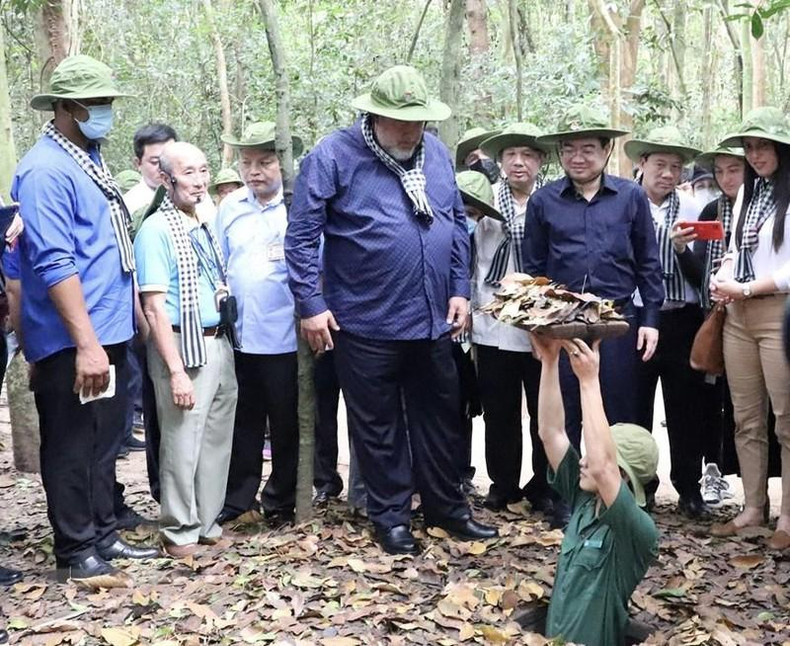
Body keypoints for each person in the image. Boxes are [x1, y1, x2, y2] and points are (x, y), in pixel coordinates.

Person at [285, 65, 497, 555]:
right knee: (377, 427)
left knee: (441, 420)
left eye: (417, 121)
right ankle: (391, 518)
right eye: (398, 121)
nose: (409, 130)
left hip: (432, 322)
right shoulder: (334, 155)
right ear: (372, 115)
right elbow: (300, 239)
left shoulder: (438, 153)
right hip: (365, 322)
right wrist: (312, 305)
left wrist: (460, 289)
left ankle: (447, 509)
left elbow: (451, 226)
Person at [13, 54, 158, 586]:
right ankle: (75, 549)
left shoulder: (88, 158)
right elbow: (55, 262)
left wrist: (132, 313)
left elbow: (106, 247)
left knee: (105, 438)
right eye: (99, 103)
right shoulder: (45, 170)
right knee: (72, 443)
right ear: (68, 108)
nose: (106, 111)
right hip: (76, 337)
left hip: (111, 328)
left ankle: (101, 531)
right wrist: (87, 345)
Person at [523, 104, 664, 526]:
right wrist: (539, 327)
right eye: (569, 150)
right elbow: (533, 270)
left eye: (588, 148)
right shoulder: (544, 201)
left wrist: (651, 320)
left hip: (617, 322)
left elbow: (648, 263)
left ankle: (622, 500)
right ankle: (565, 497)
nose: (578, 157)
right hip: (563, 321)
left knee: (617, 411)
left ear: (607, 151)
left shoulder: (630, 197)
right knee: (562, 410)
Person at [135, 142, 237, 557]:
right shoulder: (156, 229)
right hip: (181, 344)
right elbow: (154, 307)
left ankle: (207, 521)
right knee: (181, 440)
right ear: (166, 178)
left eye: (203, 170)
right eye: (188, 173)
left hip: (219, 342)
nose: (198, 180)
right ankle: (178, 530)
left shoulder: (204, 222)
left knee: (215, 439)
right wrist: (175, 370)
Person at [531, 333, 659, 646]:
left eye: (596, 452)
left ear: (624, 475)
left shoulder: (636, 530)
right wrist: (550, 362)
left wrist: (590, 380)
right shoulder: (584, 499)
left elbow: (602, 468)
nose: (585, 460)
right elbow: (551, 433)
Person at [214, 122, 303, 526]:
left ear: (283, 164)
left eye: (265, 162)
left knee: (287, 423)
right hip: (241, 337)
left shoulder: (297, 209)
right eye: (247, 162)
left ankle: (282, 499)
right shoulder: (231, 208)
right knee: (243, 421)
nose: (255, 171)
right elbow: (221, 264)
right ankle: (238, 497)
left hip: (287, 338)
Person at [709, 107, 790, 550]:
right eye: (750, 147)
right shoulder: (747, 194)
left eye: (764, 146)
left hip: (778, 313)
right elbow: (733, 248)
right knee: (746, 418)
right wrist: (721, 278)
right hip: (737, 316)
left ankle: (787, 519)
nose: (756, 155)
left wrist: (746, 288)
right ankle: (753, 508)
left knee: (786, 419)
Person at [469, 124, 556, 519]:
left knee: (545, 410)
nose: (519, 163)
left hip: (540, 321)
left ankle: (545, 486)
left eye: (528, 155)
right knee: (499, 410)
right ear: (500, 162)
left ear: (540, 161)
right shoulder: (482, 200)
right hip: (493, 317)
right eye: (511, 156)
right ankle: (502, 484)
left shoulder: (552, 201)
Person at [624, 126, 710, 518]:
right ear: (641, 164)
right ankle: (639, 486)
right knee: (634, 405)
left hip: (682, 317)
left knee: (684, 406)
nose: (668, 174)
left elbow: (704, 275)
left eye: (676, 167)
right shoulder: (624, 203)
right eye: (660, 164)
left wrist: (683, 250)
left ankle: (689, 489)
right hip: (638, 316)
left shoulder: (694, 210)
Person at [689, 146, 748, 506]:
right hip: (716, 317)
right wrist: (682, 251)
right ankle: (712, 471)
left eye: (735, 170)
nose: (728, 179)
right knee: (711, 397)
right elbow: (698, 271)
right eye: (721, 172)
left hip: (759, 315)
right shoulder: (713, 211)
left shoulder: (769, 208)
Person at [455, 170, 499, 495]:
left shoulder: (483, 241)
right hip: (438, 334)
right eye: (462, 211)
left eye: (473, 214)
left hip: (470, 341)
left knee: (467, 405)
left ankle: (462, 473)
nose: (467, 220)